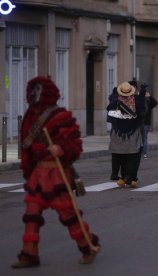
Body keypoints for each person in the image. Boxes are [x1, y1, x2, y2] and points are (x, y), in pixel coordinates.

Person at [12, 76, 100, 268]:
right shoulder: (29, 117)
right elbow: (26, 147)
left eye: (39, 91)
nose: (35, 95)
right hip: (38, 174)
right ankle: (29, 254)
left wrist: (60, 149)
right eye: (33, 91)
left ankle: (88, 245)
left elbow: (74, 144)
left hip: (56, 174)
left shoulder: (60, 116)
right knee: (32, 213)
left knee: (68, 214)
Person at [107, 82, 147, 188]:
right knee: (133, 156)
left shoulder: (116, 101)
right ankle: (129, 176)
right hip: (132, 132)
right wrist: (142, 92)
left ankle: (124, 176)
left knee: (122, 156)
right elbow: (142, 108)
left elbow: (108, 109)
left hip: (120, 133)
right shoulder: (135, 101)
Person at [142, 89, 158, 159]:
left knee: (143, 138)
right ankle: (144, 153)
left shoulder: (148, 102)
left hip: (145, 123)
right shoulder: (146, 102)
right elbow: (155, 102)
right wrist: (150, 96)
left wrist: (150, 96)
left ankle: (144, 153)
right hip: (144, 123)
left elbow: (155, 102)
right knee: (144, 138)